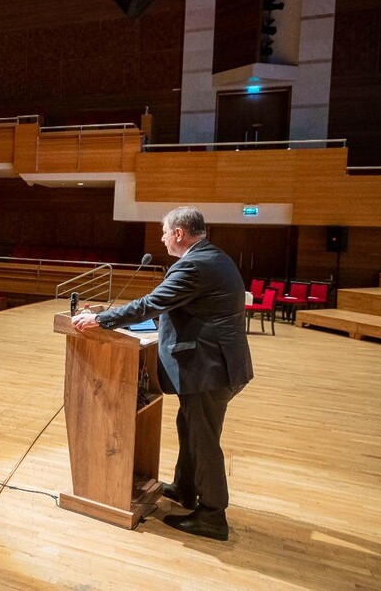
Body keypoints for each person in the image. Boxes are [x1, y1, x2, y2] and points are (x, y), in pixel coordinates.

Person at [71, 207, 253, 542]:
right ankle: (186, 488)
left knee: (204, 438)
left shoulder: (194, 265)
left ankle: (213, 515)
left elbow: (150, 304)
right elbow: (182, 308)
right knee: (189, 424)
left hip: (209, 368)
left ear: (180, 233)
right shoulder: (213, 257)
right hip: (215, 363)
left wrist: (102, 320)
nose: (162, 237)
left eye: (164, 231)